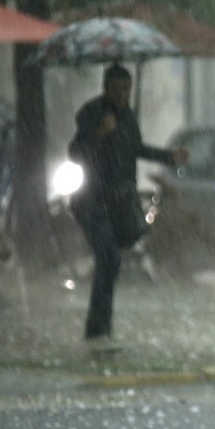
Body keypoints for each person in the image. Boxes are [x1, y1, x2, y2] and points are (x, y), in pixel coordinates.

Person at [69, 63, 188, 346]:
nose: (122, 94)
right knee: (110, 258)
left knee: (111, 263)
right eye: (117, 88)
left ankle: (101, 328)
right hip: (92, 201)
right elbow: (75, 152)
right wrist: (99, 133)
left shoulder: (128, 118)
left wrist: (169, 156)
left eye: (127, 89)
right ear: (106, 87)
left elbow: (136, 148)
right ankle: (98, 331)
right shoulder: (92, 113)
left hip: (119, 202)